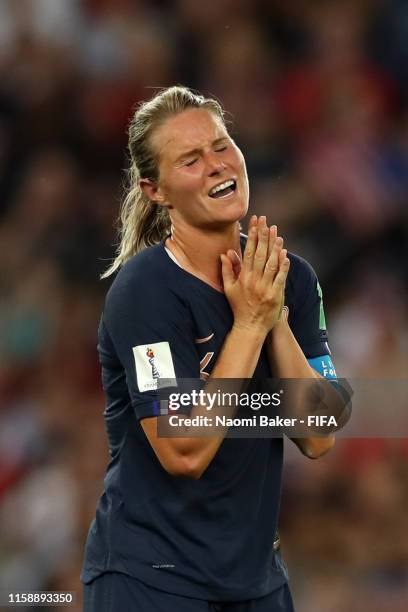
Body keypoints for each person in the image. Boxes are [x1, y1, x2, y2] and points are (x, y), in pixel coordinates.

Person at [81, 86, 342, 611]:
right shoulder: (144, 293)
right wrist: (248, 326)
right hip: (152, 580)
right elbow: (184, 451)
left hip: (256, 581)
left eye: (221, 146)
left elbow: (318, 435)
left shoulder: (290, 278)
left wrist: (274, 319)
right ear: (156, 191)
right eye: (191, 159)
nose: (217, 165)